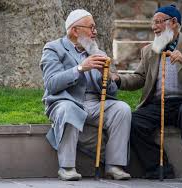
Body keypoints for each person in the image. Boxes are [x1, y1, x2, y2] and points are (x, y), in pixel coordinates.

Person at [114, 5, 182, 183]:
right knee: (133, 121)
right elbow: (139, 78)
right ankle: (158, 166)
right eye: (152, 22)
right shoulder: (150, 50)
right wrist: (118, 80)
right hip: (158, 104)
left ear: (173, 23)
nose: (153, 27)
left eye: (158, 22)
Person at [40, 9, 131, 181]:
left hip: (95, 103)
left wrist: (107, 77)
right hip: (66, 100)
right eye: (91, 27)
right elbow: (52, 84)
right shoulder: (54, 48)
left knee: (122, 109)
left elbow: (111, 92)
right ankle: (67, 167)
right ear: (75, 30)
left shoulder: (99, 53)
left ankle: (114, 166)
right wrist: (80, 68)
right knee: (69, 108)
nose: (95, 32)